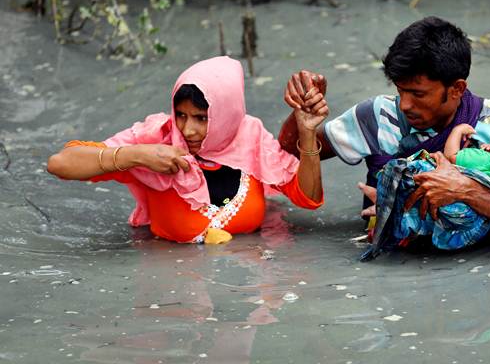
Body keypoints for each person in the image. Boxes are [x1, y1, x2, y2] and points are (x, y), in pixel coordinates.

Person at [278, 16, 490, 237]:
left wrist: (464, 189)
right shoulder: (376, 115)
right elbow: (289, 149)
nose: (405, 105)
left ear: (456, 89)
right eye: (400, 90)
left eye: (418, 94)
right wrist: (303, 116)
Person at [47, 56, 329, 244]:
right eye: (181, 115)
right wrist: (138, 155)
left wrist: (306, 131)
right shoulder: (156, 138)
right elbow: (60, 163)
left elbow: (308, 198)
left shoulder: (250, 138)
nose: (188, 130)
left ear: (226, 115)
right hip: (173, 295)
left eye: (202, 118)